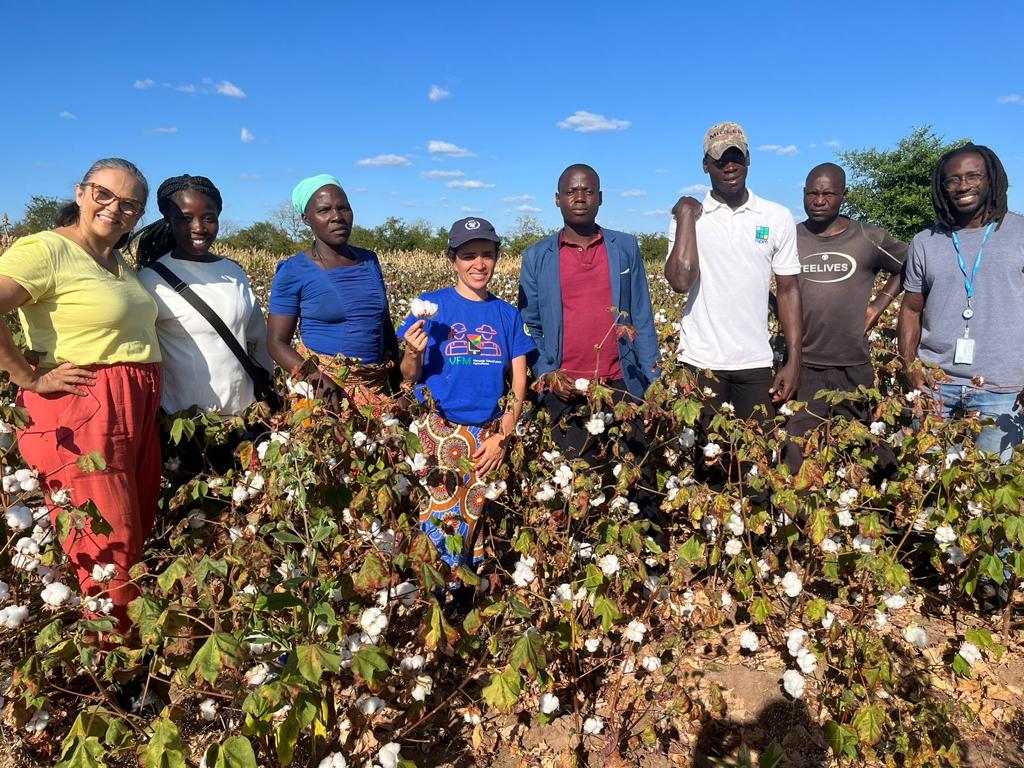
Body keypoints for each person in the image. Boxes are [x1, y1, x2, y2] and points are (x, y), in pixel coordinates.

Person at [0, 158, 159, 633]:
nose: (115, 208)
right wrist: (25, 378)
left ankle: (123, 646)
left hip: (134, 404)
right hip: (86, 405)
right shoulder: (45, 250)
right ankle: (116, 665)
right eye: (104, 194)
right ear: (81, 192)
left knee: (133, 528)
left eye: (130, 204)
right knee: (109, 540)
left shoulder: (115, 260)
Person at [664, 122, 802, 481]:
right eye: (719, 159)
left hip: (755, 365)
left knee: (754, 470)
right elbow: (679, 282)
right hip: (700, 362)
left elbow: (788, 291)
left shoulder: (775, 217)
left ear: (748, 160)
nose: (729, 166)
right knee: (707, 467)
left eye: (736, 157)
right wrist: (685, 219)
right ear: (705, 166)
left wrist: (793, 361)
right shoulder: (690, 215)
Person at [399, 217, 534, 578]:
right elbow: (407, 377)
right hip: (437, 431)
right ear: (452, 259)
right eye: (469, 255)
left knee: (480, 523)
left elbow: (518, 383)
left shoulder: (507, 315)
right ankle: (436, 598)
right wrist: (412, 352)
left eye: (487, 255)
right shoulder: (428, 307)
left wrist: (504, 434)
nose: (479, 264)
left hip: (488, 436)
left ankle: (471, 602)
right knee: (436, 524)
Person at [518, 163, 660, 473]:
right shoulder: (537, 256)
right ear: (558, 199)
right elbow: (528, 325)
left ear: (600, 198)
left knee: (634, 485)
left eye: (588, 191)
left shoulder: (625, 247)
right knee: (576, 492)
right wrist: (547, 372)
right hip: (565, 390)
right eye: (571, 192)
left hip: (622, 386)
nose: (580, 198)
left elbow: (642, 317)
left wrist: (654, 385)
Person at [898, 143, 1023, 462]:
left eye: (973, 176)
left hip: (1003, 388)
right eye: (952, 180)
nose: (963, 185)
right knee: (931, 485)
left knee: (991, 490)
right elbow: (911, 309)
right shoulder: (925, 242)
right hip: (935, 385)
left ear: (991, 179)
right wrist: (910, 368)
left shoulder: (1019, 232)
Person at [783, 163, 906, 473]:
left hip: (853, 365)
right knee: (798, 453)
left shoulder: (868, 237)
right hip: (804, 366)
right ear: (803, 195)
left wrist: (879, 305)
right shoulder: (789, 237)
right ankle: (806, 519)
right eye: (812, 193)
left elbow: (910, 265)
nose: (819, 200)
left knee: (865, 448)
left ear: (844, 196)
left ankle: (876, 511)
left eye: (828, 193)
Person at [136, 175, 274, 417]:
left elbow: (258, 340)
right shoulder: (150, 281)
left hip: (245, 418)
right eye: (185, 219)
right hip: (184, 425)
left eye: (208, 218)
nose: (198, 227)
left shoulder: (234, 272)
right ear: (169, 219)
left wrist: (266, 392)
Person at [267, 175, 400, 411]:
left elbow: (384, 324)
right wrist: (318, 381)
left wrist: (399, 384)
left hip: (377, 389)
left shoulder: (369, 260)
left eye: (343, 208)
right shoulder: (294, 270)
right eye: (324, 210)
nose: (337, 217)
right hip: (326, 395)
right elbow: (277, 343)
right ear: (306, 219)